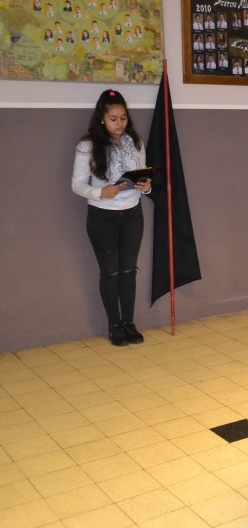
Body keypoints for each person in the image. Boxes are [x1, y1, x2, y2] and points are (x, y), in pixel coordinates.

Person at [71, 90, 151, 347]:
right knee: (111, 272)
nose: (120, 124)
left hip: (132, 213)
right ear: (102, 119)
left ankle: (129, 322)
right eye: (113, 119)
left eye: (124, 118)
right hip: (102, 216)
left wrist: (146, 186)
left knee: (129, 271)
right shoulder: (87, 146)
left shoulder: (135, 141)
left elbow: (142, 174)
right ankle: (114, 325)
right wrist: (100, 192)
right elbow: (77, 185)